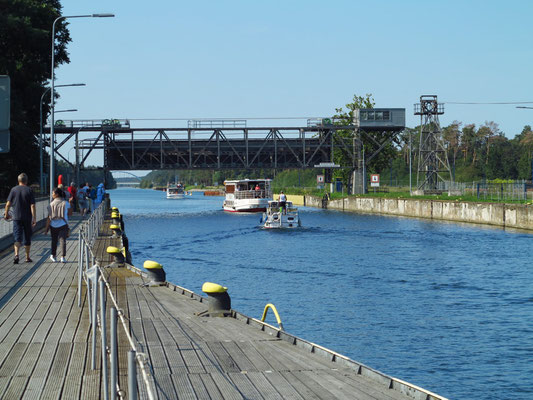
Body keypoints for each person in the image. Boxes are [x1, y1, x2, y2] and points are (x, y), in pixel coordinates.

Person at [4, 173, 36, 264]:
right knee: (27, 237)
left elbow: (8, 204)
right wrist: (34, 218)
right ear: (26, 181)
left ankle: (16, 255)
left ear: (18, 181)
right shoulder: (29, 190)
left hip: (16, 217)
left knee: (17, 238)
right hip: (27, 218)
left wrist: (6, 214)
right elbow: (32, 205)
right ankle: (27, 257)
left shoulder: (13, 190)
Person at [45, 187, 72, 263]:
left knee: (54, 241)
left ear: (56, 194)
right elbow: (70, 214)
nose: (52, 194)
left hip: (53, 225)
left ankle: (53, 256)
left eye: (53, 193)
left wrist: (46, 229)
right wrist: (70, 203)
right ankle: (62, 257)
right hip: (63, 224)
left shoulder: (50, 204)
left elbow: (48, 218)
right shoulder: (66, 203)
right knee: (62, 240)